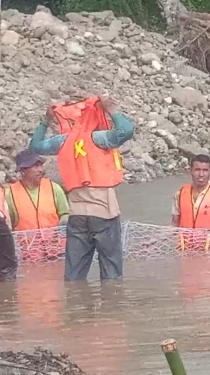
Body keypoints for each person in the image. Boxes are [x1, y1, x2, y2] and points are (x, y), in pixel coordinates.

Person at [28, 95, 134, 281]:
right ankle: (112, 308)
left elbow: (35, 146)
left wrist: (46, 121)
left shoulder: (62, 141)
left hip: (76, 216)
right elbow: (126, 131)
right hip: (104, 214)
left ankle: (75, 307)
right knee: (111, 276)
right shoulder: (99, 138)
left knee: (74, 276)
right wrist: (113, 110)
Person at [5, 149, 70, 263]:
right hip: (29, 257)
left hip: (58, 254)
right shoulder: (9, 194)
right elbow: (7, 226)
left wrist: (63, 224)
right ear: (23, 170)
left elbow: (66, 214)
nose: (40, 170)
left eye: (40, 165)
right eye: (35, 166)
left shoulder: (54, 188)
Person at [171, 154, 210, 252]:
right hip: (184, 252)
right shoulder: (179, 194)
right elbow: (174, 222)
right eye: (197, 170)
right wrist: (156, 239)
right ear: (190, 171)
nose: (201, 174)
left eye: (205, 170)